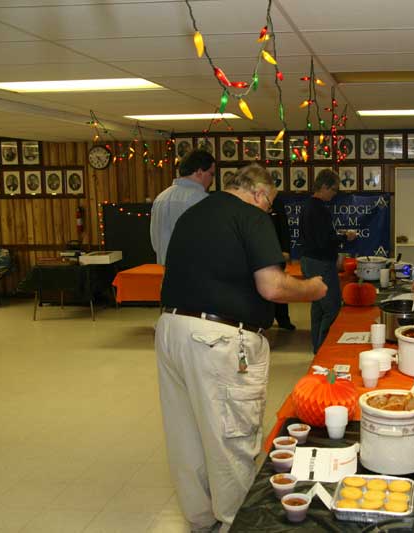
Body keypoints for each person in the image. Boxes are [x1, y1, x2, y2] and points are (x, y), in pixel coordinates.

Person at [156, 163, 326, 533]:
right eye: (270, 204)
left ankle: (201, 521)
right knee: (230, 437)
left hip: (171, 329)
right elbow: (273, 287)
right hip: (217, 339)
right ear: (261, 194)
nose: (268, 210)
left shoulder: (194, 212)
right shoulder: (252, 216)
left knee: (188, 434)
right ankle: (238, 524)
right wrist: (313, 289)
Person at [299, 169, 357, 353]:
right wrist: (344, 238)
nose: (334, 194)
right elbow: (324, 241)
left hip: (309, 260)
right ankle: (324, 348)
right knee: (332, 307)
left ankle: (317, 347)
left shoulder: (307, 205)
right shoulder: (319, 210)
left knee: (317, 306)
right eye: (333, 190)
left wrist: (336, 236)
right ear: (323, 187)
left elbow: (318, 237)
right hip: (321, 263)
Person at [150, 149, 214, 265]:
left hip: (165, 273)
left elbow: (155, 242)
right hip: (194, 273)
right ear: (199, 172)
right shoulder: (202, 200)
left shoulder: (160, 198)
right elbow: (209, 242)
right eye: (211, 174)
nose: (212, 180)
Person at [270, 194, 296, 330]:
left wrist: (286, 249)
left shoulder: (277, 202)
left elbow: (284, 227)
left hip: (277, 250)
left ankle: (283, 319)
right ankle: (266, 320)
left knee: (280, 287)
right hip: (257, 250)